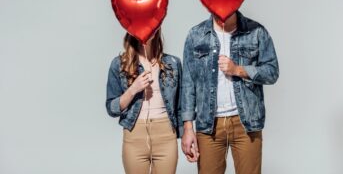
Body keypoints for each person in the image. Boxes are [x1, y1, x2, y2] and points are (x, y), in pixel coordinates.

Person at [181, 11, 279, 174]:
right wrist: (188, 127)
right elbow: (188, 83)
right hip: (208, 125)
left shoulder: (256, 31)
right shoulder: (196, 35)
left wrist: (238, 70)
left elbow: (272, 72)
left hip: (246, 123)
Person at [106, 29, 183, 174]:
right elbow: (111, 108)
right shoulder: (119, 64)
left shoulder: (173, 63)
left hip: (166, 136)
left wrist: (186, 135)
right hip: (135, 136)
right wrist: (133, 89)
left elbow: (180, 106)